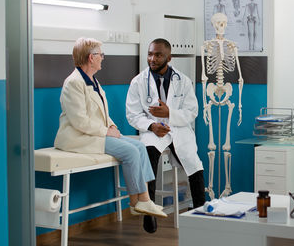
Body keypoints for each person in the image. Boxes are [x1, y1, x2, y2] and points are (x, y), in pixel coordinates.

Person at [54, 37, 166, 221]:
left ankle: (140, 200)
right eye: (101, 54)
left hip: (95, 133)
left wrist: (111, 125)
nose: (103, 58)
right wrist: (106, 131)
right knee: (130, 151)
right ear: (91, 57)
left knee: (140, 146)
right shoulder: (74, 83)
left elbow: (101, 112)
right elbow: (79, 121)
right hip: (79, 137)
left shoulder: (92, 80)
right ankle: (139, 201)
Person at [126, 38, 206, 233]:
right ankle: (149, 211)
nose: (152, 58)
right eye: (150, 54)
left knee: (194, 165)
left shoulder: (183, 81)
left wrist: (170, 113)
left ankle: (200, 213)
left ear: (168, 57)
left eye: (158, 55)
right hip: (153, 131)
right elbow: (132, 115)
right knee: (149, 155)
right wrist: (152, 125)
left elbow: (192, 111)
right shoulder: (138, 82)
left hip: (178, 129)